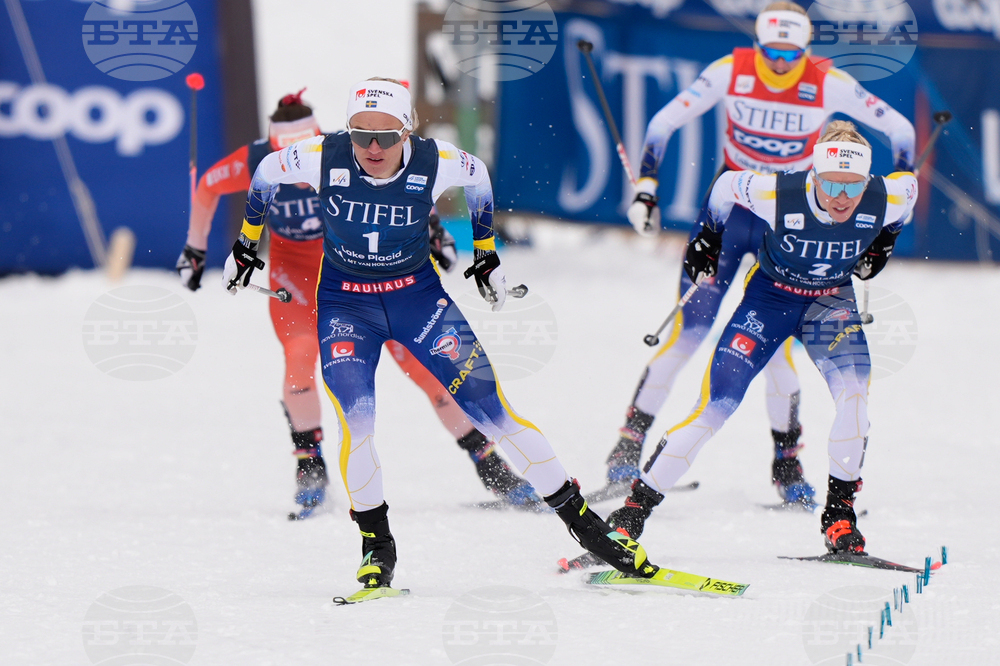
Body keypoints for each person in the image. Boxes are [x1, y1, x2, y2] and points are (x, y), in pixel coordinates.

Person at [222, 78, 661, 589]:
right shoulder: (322, 155)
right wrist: (247, 244)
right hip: (347, 308)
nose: (373, 148)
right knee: (358, 426)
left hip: (419, 302)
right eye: (361, 135)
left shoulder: (441, 161)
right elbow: (266, 172)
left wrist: (485, 251)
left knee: (495, 412)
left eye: (387, 136)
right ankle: (376, 548)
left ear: (408, 130)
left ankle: (589, 529)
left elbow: (479, 179)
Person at [604, 1, 917, 508]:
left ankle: (786, 463)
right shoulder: (732, 70)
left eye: (792, 54)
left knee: (777, 349)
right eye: (772, 52)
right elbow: (663, 121)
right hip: (734, 212)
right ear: (758, 45)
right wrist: (646, 186)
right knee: (689, 332)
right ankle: (626, 448)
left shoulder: (828, 81)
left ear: (807, 49)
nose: (780, 64)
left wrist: (884, 223)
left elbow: (901, 131)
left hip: (794, 216)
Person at [176, 90, 538, 520]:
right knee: (299, 359)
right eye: (285, 153)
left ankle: (489, 463)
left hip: (365, 276)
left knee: (424, 368)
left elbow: (401, 188)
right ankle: (309, 465)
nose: (297, 167)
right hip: (296, 276)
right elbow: (207, 186)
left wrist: (434, 230)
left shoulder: (342, 150)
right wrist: (196, 249)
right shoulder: (261, 160)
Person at [580, 122, 916, 562]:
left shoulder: (888, 195)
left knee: (854, 401)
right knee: (715, 408)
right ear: (814, 174)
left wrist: (885, 240)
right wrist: (708, 236)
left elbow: (907, 195)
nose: (841, 197)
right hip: (769, 302)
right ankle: (629, 517)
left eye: (852, 186)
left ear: (867, 180)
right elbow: (724, 188)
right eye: (831, 183)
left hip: (830, 304)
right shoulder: (778, 192)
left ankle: (840, 520)